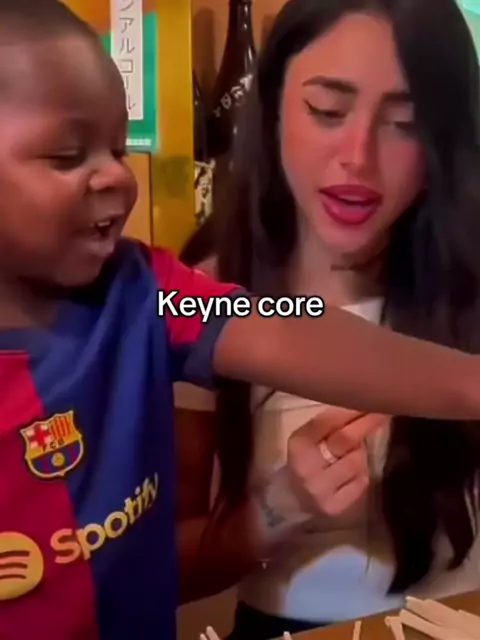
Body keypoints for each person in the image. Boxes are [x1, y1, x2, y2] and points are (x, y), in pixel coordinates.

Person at [2, 0, 480, 639]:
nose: (116, 176)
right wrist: (279, 509)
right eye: (67, 156)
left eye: (117, 148)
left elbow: (283, 325)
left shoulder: (149, 293)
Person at [176, 0, 480, 637]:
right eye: (326, 110)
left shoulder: (468, 272)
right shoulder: (202, 294)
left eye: (405, 124)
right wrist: (281, 505)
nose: (358, 158)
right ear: (272, 107)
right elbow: (167, 570)